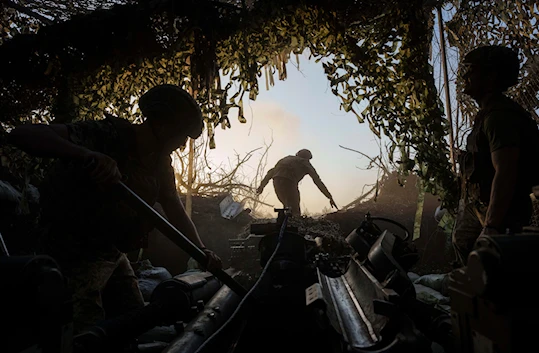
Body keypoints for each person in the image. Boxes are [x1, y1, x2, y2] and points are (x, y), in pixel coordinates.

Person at [8, 84, 222, 333]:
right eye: (181, 136)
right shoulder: (106, 135)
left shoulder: (160, 164)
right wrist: (87, 155)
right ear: (162, 127)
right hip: (71, 251)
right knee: (84, 333)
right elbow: (22, 134)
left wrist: (201, 250)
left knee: (134, 321)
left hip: (111, 251)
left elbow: (173, 207)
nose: (182, 144)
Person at [452, 45, 539, 266]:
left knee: (495, 268)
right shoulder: (488, 115)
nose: (466, 76)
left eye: (472, 71)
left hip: (500, 214)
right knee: (467, 251)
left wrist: (492, 225)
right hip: (480, 206)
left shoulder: (499, 117)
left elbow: (506, 170)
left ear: (490, 77)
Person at [257, 149, 337, 216]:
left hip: (276, 182)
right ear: (307, 158)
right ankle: (294, 228)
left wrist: (261, 187)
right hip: (289, 183)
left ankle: (284, 226)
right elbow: (317, 180)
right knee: (294, 209)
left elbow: (270, 173)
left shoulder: (285, 159)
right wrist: (329, 196)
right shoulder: (304, 162)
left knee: (287, 206)